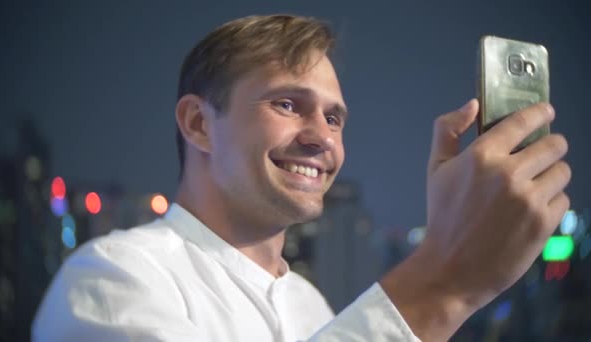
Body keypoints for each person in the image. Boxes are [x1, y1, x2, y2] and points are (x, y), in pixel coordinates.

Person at [32, 14, 571, 341]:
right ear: (199, 123)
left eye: (334, 117)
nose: (323, 137)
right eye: (288, 104)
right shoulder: (110, 281)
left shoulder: (312, 305)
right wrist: (445, 277)